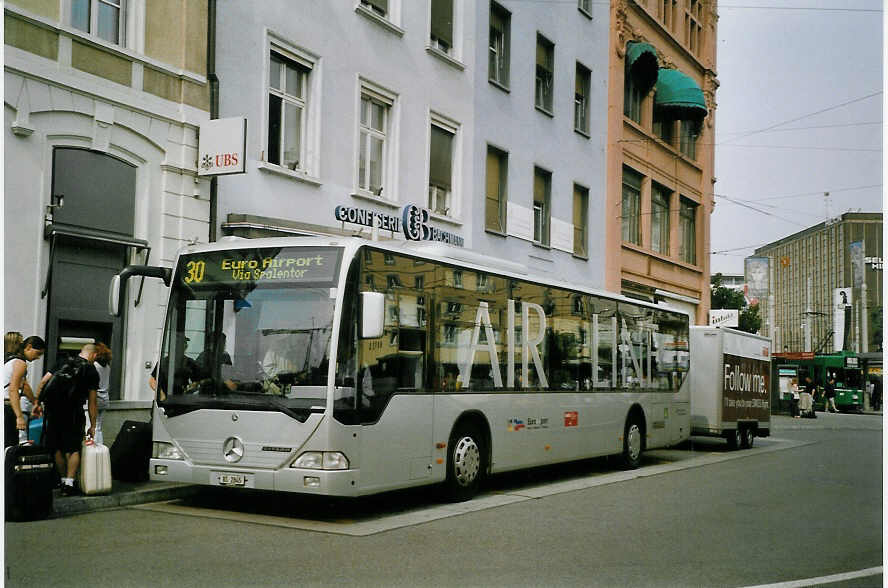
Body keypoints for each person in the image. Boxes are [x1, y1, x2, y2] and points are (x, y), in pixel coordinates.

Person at [35, 343, 99, 495]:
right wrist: (93, 424)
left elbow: (44, 382)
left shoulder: (62, 362)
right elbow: (92, 401)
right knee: (73, 448)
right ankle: (69, 484)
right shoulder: (90, 370)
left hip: (53, 411)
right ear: (94, 355)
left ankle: (62, 480)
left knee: (57, 447)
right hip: (73, 412)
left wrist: (37, 403)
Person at [3, 336, 46, 447]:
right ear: (29, 347)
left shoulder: (11, 361)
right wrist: (19, 416)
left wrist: (35, 402)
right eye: (38, 353)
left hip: (6, 406)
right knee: (10, 447)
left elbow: (23, 385)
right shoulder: (20, 363)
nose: (38, 358)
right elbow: (13, 389)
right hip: (7, 407)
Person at [149, 334, 200, 401]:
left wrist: (192, 387)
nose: (186, 345)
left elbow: (197, 381)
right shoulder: (164, 362)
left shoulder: (190, 362)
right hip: (164, 400)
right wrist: (161, 394)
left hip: (182, 400)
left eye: (185, 343)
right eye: (183, 343)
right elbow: (152, 380)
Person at [87, 343, 112, 444]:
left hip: (95, 398)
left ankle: (94, 449)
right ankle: (100, 449)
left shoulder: (94, 366)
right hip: (104, 398)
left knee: (91, 426)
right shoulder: (107, 367)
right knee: (98, 427)